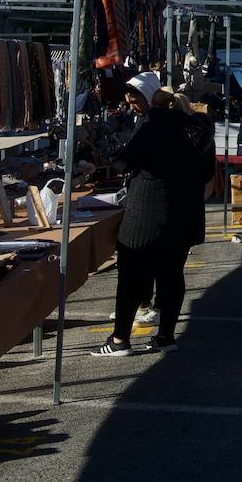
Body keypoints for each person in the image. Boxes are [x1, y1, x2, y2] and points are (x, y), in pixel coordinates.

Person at [93, 72, 214, 357]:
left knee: (132, 276)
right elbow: (208, 173)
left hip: (147, 214)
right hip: (184, 215)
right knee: (172, 275)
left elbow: (125, 161)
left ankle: (120, 339)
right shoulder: (202, 133)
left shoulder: (153, 125)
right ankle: (165, 337)